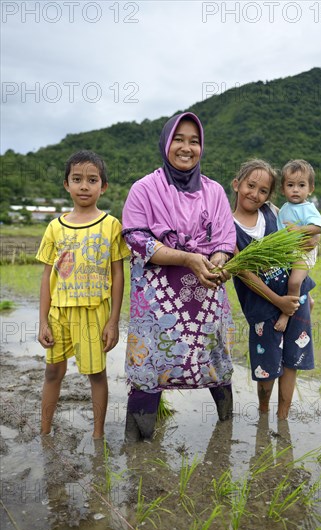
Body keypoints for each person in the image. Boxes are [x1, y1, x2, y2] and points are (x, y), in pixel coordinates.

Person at [122, 111, 236, 442]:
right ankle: (137, 446)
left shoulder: (214, 191)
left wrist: (215, 260)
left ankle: (226, 430)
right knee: (149, 368)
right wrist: (188, 258)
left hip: (206, 294)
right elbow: (137, 238)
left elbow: (226, 242)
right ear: (165, 143)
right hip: (157, 300)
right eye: (179, 140)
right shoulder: (145, 188)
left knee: (216, 362)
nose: (187, 148)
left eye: (194, 141)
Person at [36, 150, 129, 438]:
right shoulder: (55, 227)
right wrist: (43, 321)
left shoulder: (111, 225)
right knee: (53, 372)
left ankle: (98, 434)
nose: (84, 186)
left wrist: (113, 322)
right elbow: (46, 277)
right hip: (59, 312)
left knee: (96, 374)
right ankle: (44, 431)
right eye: (77, 179)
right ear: (66, 184)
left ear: (104, 186)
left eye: (92, 180)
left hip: (93, 313)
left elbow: (117, 275)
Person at [232, 159, 317, 420]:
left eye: (263, 190)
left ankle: (282, 419)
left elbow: (305, 240)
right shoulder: (227, 225)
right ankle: (263, 413)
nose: (255, 194)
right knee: (267, 366)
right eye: (251, 186)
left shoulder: (273, 212)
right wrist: (279, 301)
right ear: (237, 184)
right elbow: (244, 273)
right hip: (262, 305)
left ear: (269, 195)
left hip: (294, 297)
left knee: (292, 360)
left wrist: (305, 294)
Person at [275, 159, 321, 332]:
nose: (295, 189)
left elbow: (319, 227)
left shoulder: (308, 208)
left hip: (304, 252)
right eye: (290, 185)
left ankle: (286, 314)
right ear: (283, 189)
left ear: (310, 189)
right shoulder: (283, 208)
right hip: (290, 252)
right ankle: (309, 300)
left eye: (301, 185)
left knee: (294, 281)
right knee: (293, 277)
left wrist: (300, 229)